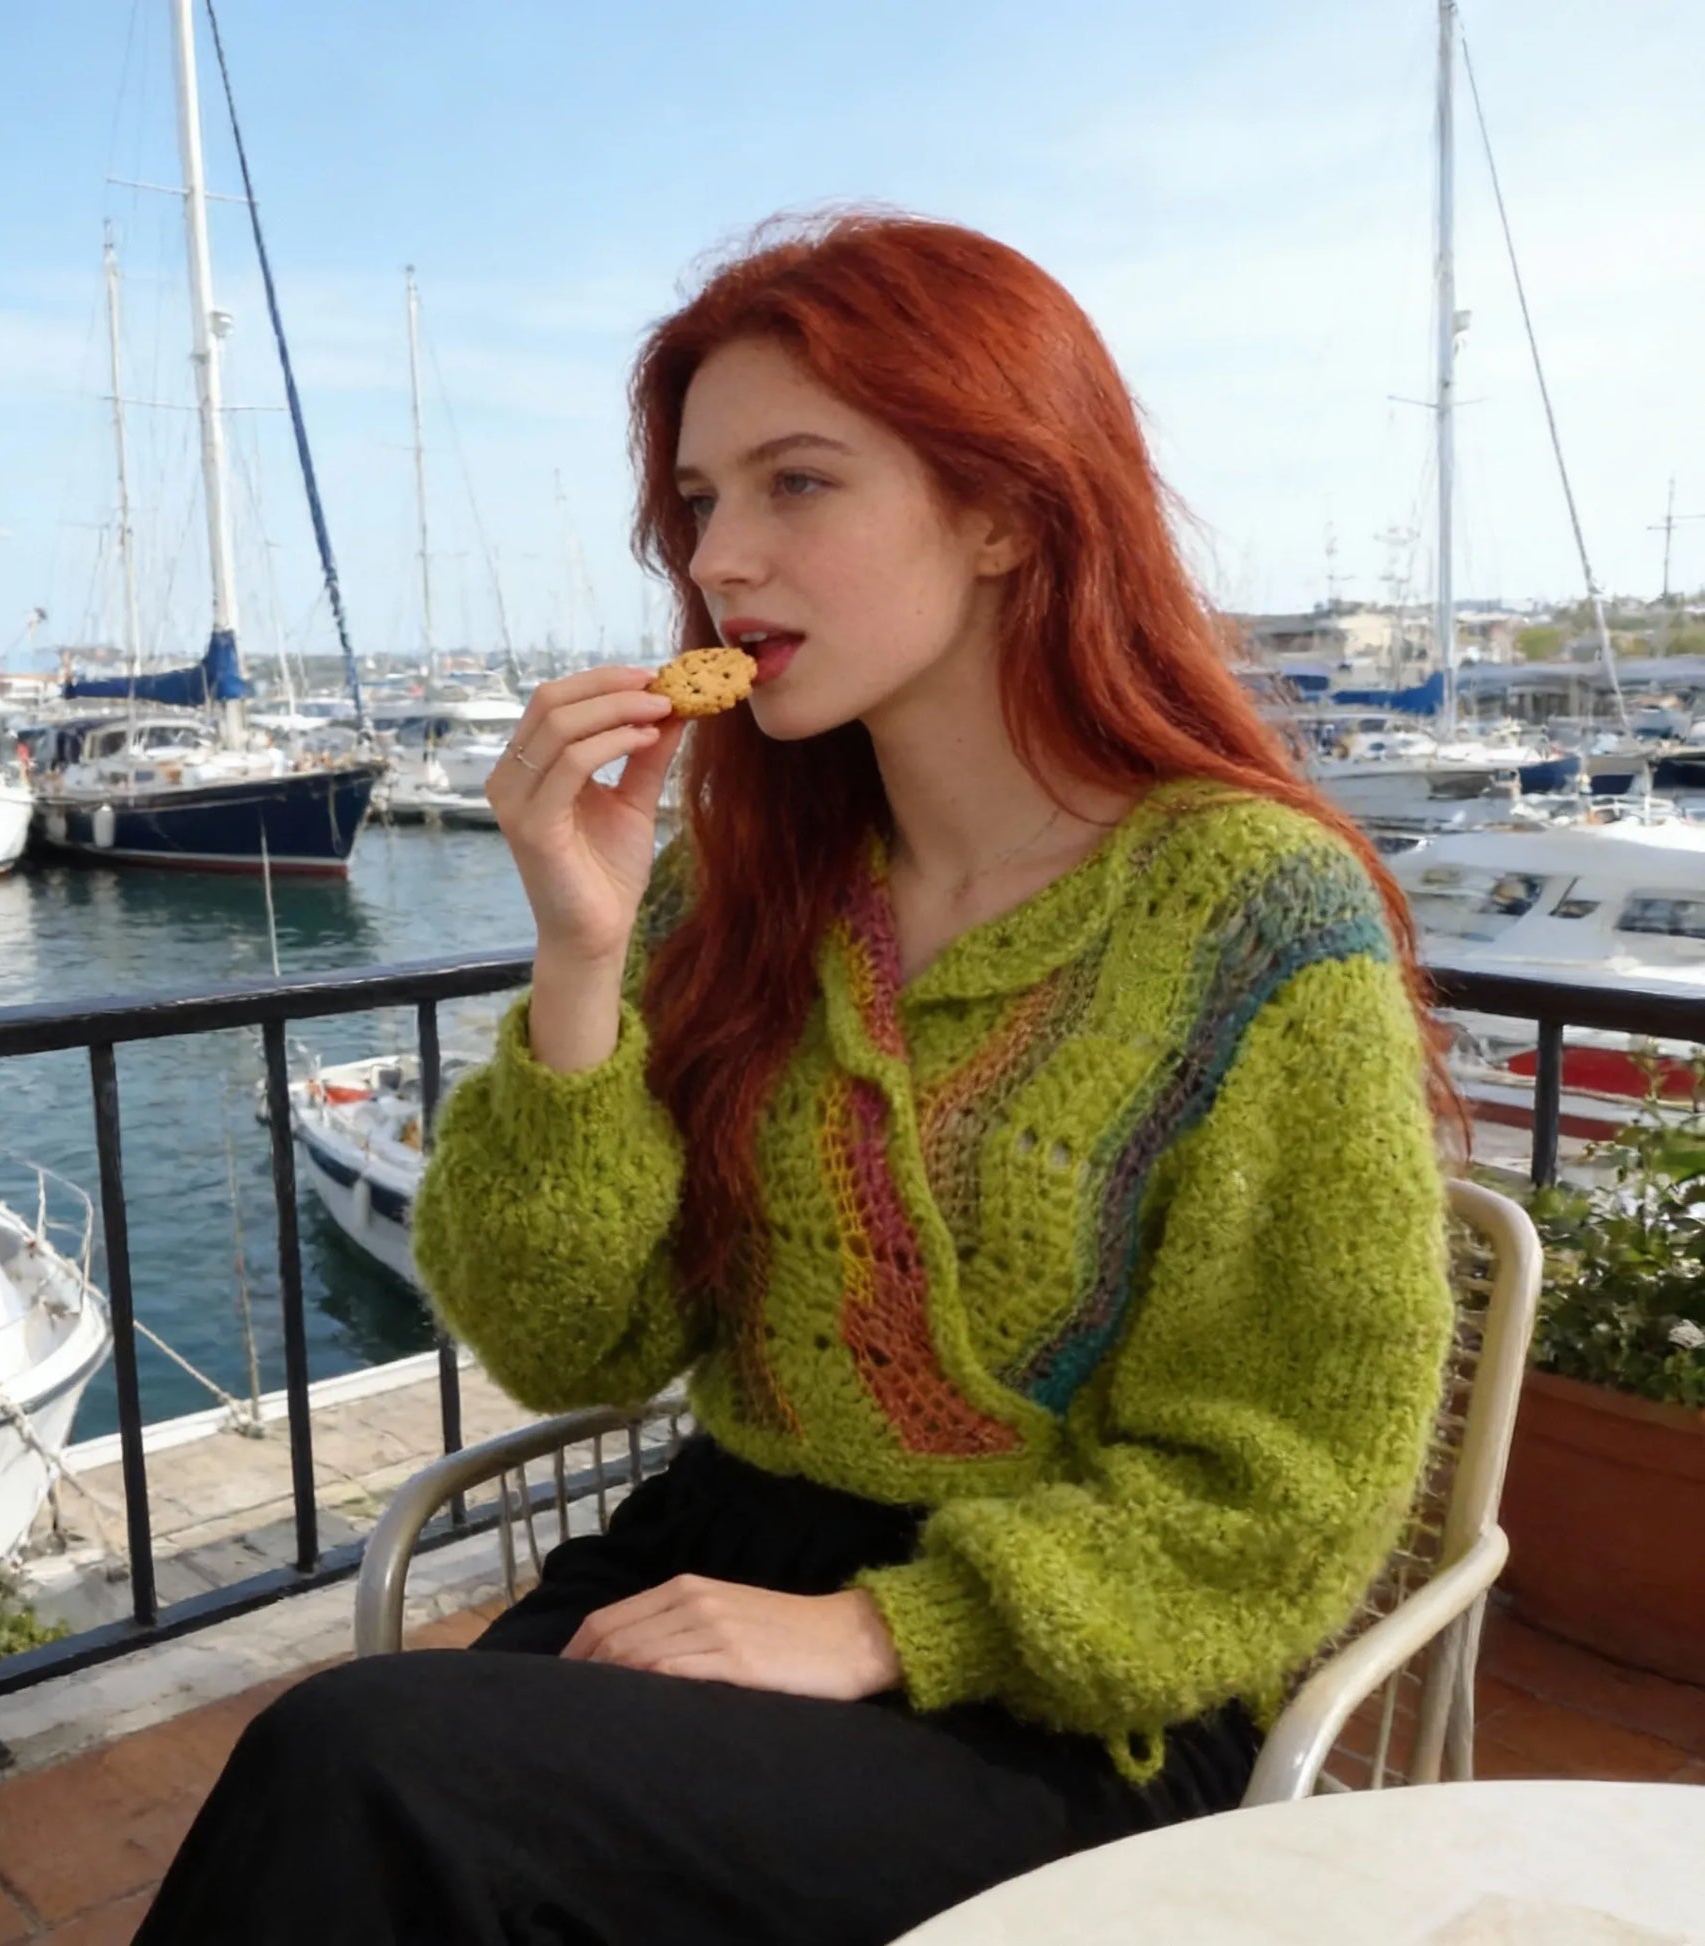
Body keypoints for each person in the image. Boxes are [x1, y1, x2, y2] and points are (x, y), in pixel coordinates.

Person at [135, 213, 1455, 1945]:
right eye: (696, 503)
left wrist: (882, 1629)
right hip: (708, 1559)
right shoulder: (733, 893)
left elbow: (1287, 1484)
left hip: (1066, 1682)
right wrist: (581, 958)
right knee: (386, 1828)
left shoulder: (1251, 919)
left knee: (366, 1770)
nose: (721, 562)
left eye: (797, 484)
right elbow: (568, 1342)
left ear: (1000, 506)